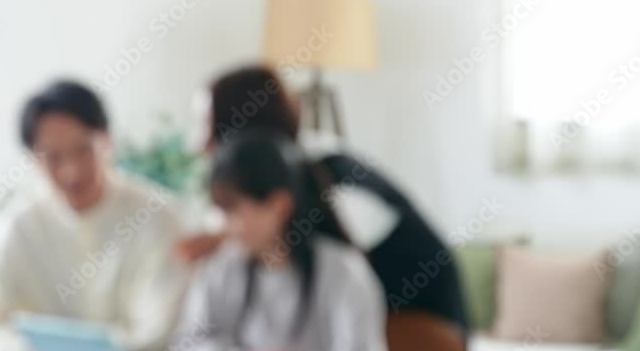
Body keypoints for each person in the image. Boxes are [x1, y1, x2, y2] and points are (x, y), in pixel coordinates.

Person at [177, 65, 467, 329]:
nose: (199, 145)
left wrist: (224, 238)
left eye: (208, 125)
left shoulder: (333, 177)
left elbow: (337, 272)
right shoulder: (275, 187)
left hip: (419, 329)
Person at [0, 80, 189, 351]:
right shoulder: (15, 229)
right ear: (32, 158)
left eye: (84, 151)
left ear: (107, 141)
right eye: (53, 158)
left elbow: (158, 335)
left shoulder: (157, 218)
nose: (72, 172)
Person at [173, 132, 392, 351]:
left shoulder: (344, 272)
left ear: (279, 205)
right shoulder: (223, 268)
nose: (222, 226)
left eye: (232, 210)